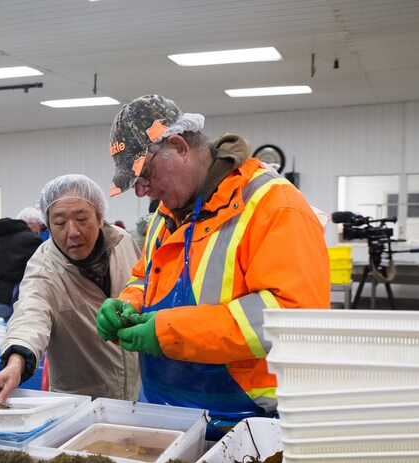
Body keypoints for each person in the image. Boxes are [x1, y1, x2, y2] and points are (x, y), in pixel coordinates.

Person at [96, 94, 330, 437]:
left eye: (144, 174)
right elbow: (146, 278)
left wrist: (169, 332)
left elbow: (290, 316)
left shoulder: (274, 205)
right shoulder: (166, 216)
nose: (142, 191)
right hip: (164, 414)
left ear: (178, 146)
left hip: (245, 423)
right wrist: (127, 305)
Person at [0, 174, 142, 403]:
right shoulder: (45, 268)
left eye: (82, 219)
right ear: (47, 225)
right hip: (79, 402)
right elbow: (30, 313)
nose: (73, 232)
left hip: (135, 392)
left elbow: (142, 284)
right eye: (59, 223)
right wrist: (15, 362)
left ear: (100, 217)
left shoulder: (123, 242)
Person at [0, 206, 44, 321]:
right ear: (31, 223)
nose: (40, 229)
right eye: (40, 224)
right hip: (5, 296)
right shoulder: (30, 239)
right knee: (7, 334)